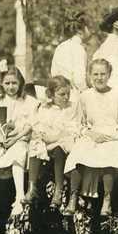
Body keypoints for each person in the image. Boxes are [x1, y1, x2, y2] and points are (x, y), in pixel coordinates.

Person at [65, 58, 118, 217]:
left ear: (109, 75)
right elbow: (79, 123)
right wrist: (90, 134)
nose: (99, 78)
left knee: (109, 153)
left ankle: (107, 199)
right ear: (89, 75)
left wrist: (116, 135)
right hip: (92, 134)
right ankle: (73, 197)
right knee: (78, 153)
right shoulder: (85, 96)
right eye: (95, 74)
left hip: (112, 134)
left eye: (103, 74)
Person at [0, 66, 39, 217]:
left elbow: (29, 126)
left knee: (18, 154)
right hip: (1, 141)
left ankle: (19, 198)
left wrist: (15, 139)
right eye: (7, 83)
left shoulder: (29, 101)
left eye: (14, 83)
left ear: (20, 83)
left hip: (20, 139)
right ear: (2, 84)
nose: (11, 87)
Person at [27, 76, 82, 214]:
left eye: (68, 94)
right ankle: (32, 187)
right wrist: (42, 134)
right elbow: (39, 123)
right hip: (47, 139)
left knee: (58, 150)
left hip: (62, 139)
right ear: (51, 94)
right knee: (35, 144)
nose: (66, 97)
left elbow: (72, 127)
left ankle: (58, 189)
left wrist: (56, 137)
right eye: (61, 94)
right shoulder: (45, 108)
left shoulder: (71, 107)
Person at [50, 11, 91, 91]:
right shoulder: (79, 49)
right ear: (80, 31)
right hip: (73, 94)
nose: (89, 30)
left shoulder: (60, 47)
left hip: (58, 92)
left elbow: (54, 73)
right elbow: (79, 80)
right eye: (87, 27)